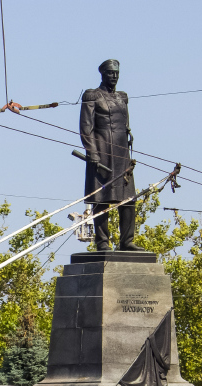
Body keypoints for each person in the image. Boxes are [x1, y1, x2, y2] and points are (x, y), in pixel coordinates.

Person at [80, 59, 135, 251]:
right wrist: (92, 152)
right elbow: (86, 127)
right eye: (111, 73)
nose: (114, 76)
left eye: (117, 73)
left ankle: (127, 242)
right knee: (101, 198)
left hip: (122, 152)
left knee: (128, 199)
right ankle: (102, 242)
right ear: (103, 74)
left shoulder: (123, 97)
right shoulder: (92, 95)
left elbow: (126, 125)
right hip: (101, 150)